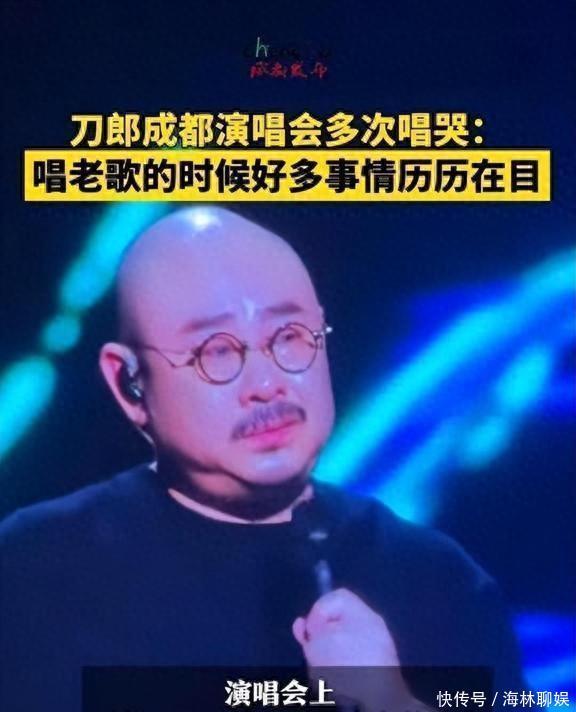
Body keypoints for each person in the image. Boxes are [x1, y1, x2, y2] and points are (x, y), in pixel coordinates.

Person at [0, 208, 524, 712]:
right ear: (129, 382)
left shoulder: (439, 582)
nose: (267, 383)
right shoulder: (32, 571)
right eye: (216, 352)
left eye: (289, 338)